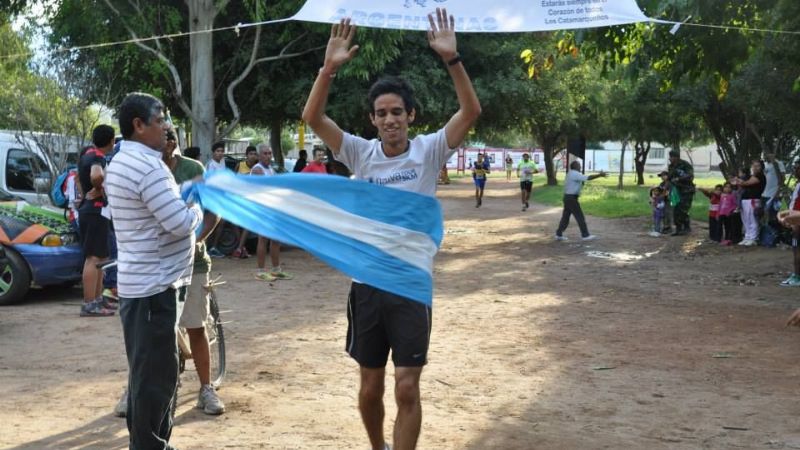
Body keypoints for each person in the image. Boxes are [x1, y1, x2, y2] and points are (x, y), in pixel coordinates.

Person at [301, 9, 481, 450]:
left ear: (411, 115)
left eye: (397, 111)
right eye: (381, 114)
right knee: (369, 388)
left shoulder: (430, 149)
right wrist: (328, 69)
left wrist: (451, 59)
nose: (389, 120)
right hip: (368, 283)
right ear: (373, 120)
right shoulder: (361, 154)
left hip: (410, 284)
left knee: (406, 386)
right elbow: (312, 118)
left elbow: (471, 110)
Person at [105, 92, 203, 449]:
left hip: (148, 287)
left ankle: (154, 442)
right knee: (154, 380)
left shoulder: (125, 161)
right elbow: (178, 223)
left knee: (155, 373)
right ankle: (149, 445)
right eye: (160, 120)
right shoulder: (147, 166)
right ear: (138, 125)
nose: (166, 126)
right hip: (153, 290)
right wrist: (197, 207)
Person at [78, 125, 116, 317]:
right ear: (112, 141)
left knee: (101, 257)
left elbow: (78, 176)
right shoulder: (97, 156)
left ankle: (98, 299)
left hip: (94, 211)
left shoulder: (86, 152)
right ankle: (89, 303)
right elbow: (97, 175)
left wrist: (85, 193)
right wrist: (99, 188)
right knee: (93, 258)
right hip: (94, 211)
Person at [251, 144, 294, 281]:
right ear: (259, 155)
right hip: (262, 208)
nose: (268, 156)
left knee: (276, 240)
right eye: (265, 153)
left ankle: (276, 269)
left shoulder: (270, 169)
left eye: (270, 153)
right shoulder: (257, 169)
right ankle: (260, 271)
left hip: (272, 208)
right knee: (263, 239)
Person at [554, 161, 607, 241]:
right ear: (575, 166)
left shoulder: (570, 173)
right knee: (580, 216)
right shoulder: (575, 173)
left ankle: (559, 234)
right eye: (579, 165)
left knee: (565, 217)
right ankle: (585, 235)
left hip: (567, 197)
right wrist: (599, 175)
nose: (580, 167)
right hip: (572, 198)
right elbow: (588, 178)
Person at [731, 160, 765, 246]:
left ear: (761, 167)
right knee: (745, 219)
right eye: (754, 166)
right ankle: (747, 237)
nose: (755, 167)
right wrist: (738, 181)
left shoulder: (760, 176)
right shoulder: (751, 176)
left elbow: (747, 183)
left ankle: (753, 238)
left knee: (752, 219)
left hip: (753, 200)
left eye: (757, 166)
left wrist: (738, 180)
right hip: (745, 200)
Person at [778, 160, 800, 286]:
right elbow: (793, 205)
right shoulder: (798, 186)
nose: (795, 171)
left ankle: (797, 276)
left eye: (798, 169)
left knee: (797, 250)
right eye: (795, 168)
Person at [667, 150, 695, 236]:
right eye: (670, 157)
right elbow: (670, 177)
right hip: (676, 191)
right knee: (676, 209)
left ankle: (686, 227)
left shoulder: (685, 164)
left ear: (676, 157)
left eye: (672, 157)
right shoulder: (671, 166)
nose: (670, 159)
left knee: (683, 209)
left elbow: (690, 176)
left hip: (687, 190)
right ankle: (678, 229)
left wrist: (679, 179)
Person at [762, 151, 785, 226]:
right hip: (764, 194)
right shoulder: (764, 165)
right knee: (765, 214)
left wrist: (778, 191)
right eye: (765, 155)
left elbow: (783, 178)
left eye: (768, 154)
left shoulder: (778, 163)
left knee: (774, 215)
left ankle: (776, 233)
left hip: (774, 193)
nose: (766, 156)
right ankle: (768, 232)